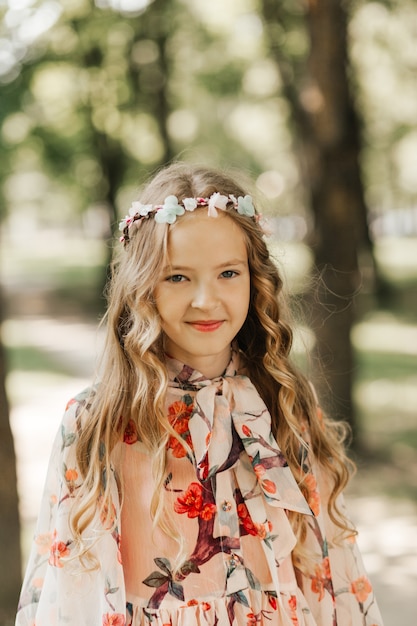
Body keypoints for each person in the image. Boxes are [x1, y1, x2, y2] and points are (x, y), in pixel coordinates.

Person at [16, 163, 384, 626]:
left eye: (228, 273)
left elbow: (331, 574)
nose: (206, 300)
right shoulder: (96, 422)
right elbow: (72, 594)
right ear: (143, 285)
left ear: (256, 278)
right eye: (178, 278)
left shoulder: (284, 403)